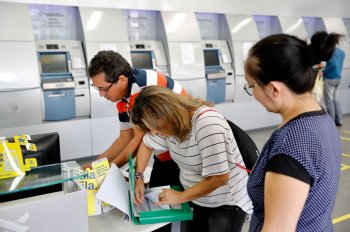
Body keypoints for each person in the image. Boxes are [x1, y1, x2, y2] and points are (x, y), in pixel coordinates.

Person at [244, 34, 342, 231]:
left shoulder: (291, 146)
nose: (252, 93)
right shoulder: (321, 118)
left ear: (274, 89)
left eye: (251, 86)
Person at [130, 86, 253, 232]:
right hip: (193, 197)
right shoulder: (167, 127)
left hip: (224, 202)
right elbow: (146, 143)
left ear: (168, 113)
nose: (155, 132)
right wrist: (139, 177)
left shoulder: (207, 124)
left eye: (155, 127)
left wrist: (180, 197)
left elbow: (219, 178)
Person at [84, 50, 186, 190]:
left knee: (167, 201)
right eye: (97, 89)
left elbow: (138, 141)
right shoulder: (123, 99)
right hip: (164, 153)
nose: (101, 95)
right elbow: (124, 138)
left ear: (121, 79)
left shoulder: (142, 88)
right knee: (154, 195)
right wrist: (94, 166)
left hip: (184, 154)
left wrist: (107, 170)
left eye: (104, 89)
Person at [311, 31, 345, 126]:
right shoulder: (342, 52)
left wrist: (323, 71)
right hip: (338, 77)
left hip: (330, 78)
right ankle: (340, 119)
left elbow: (333, 65)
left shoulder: (332, 52)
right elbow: (338, 66)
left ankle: (332, 122)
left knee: (329, 101)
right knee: (335, 99)